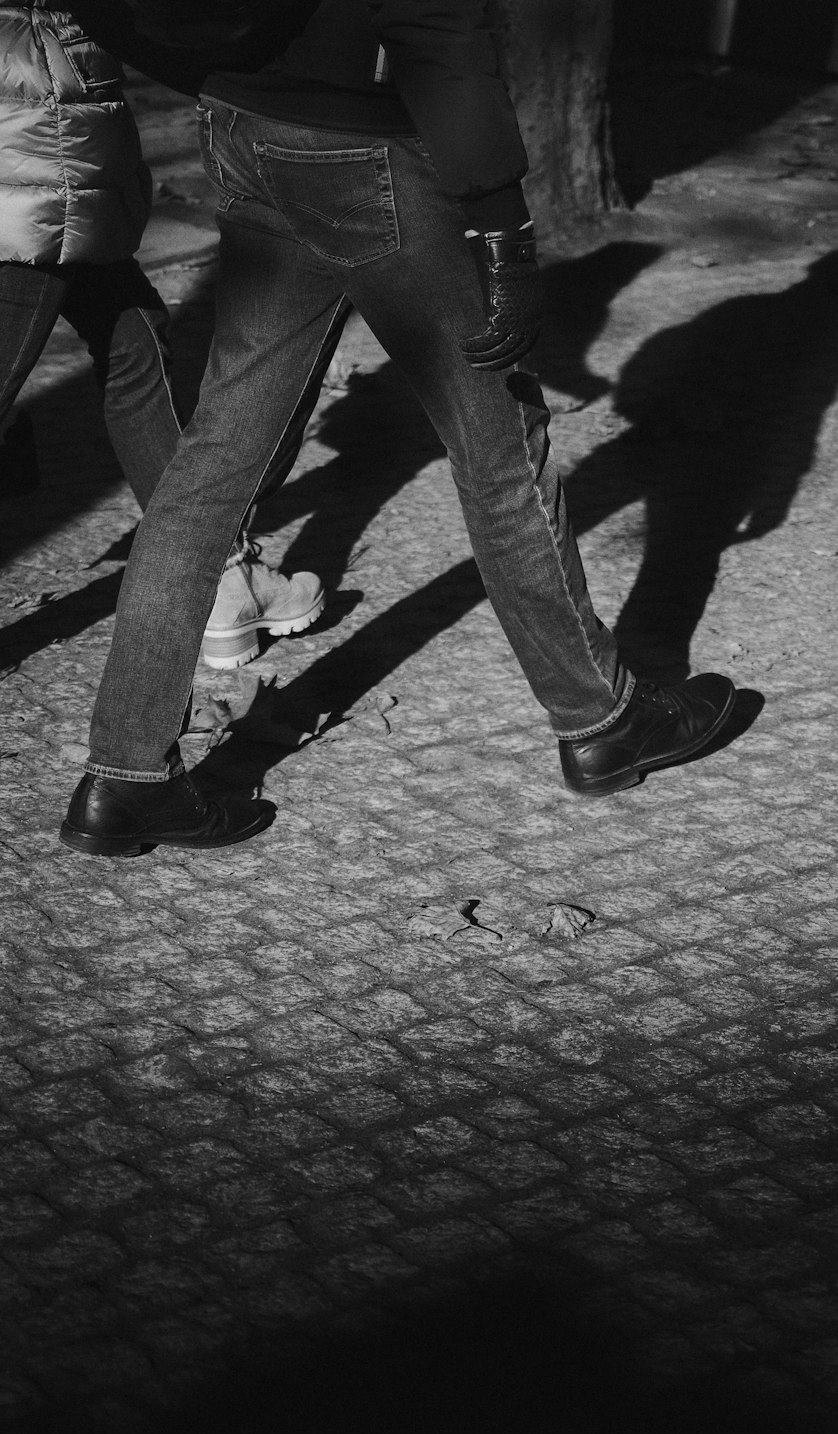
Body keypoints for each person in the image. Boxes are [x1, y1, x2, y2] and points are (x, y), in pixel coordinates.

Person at [60, 0, 740, 859]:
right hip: (370, 148)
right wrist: (503, 230)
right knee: (499, 451)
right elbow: (441, 32)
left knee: (211, 462)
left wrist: (215, 77)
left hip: (244, 129)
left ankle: (123, 779)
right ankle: (601, 721)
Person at [0, 0, 325, 671]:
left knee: (134, 345)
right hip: (36, 131)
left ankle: (219, 582)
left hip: (50, 132)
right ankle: (219, 582)